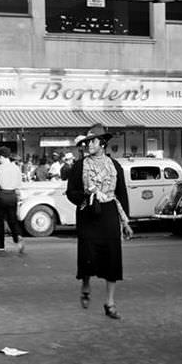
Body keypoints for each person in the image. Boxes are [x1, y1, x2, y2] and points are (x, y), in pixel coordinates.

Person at [66, 123, 133, 320]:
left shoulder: (115, 166)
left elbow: (121, 194)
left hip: (109, 214)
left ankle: (110, 303)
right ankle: (85, 285)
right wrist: (85, 196)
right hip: (88, 214)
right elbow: (71, 193)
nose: (88, 145)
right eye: (87, 142)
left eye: (92, 141)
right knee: (87, 253)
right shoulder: (79, 166)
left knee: (112, 258)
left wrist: (125, 222)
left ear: (102, 143)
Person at [0, 146, 25, 253]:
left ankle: (1, 245)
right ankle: (18, 237)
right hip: (12, 195)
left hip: (1, 195)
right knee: (13, 220)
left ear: (2, 156)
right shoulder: (16, 168)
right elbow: (19, 184)